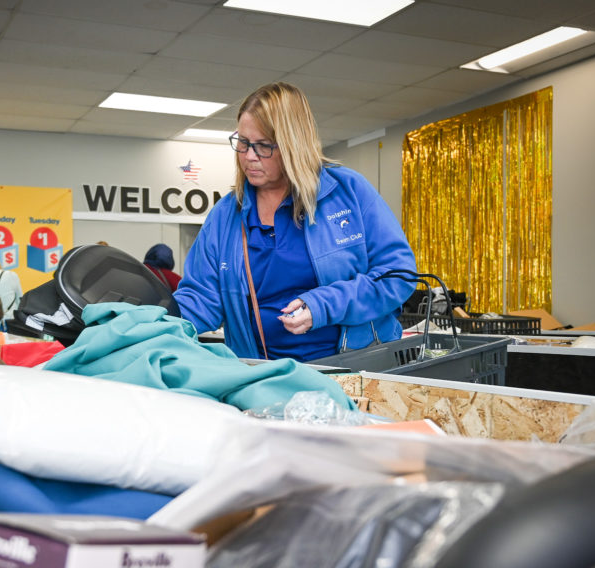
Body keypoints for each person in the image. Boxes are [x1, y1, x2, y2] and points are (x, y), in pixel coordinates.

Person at [174, 82, 416, 362]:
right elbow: (201, 301)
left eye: (263, 146)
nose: (249, 156)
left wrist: (323, 305)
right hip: (264, 375)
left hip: (352, 370)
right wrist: (150, 321)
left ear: (293, 144)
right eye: (242, 142)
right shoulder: (225, 215)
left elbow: (397, 275)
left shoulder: (348, 192)